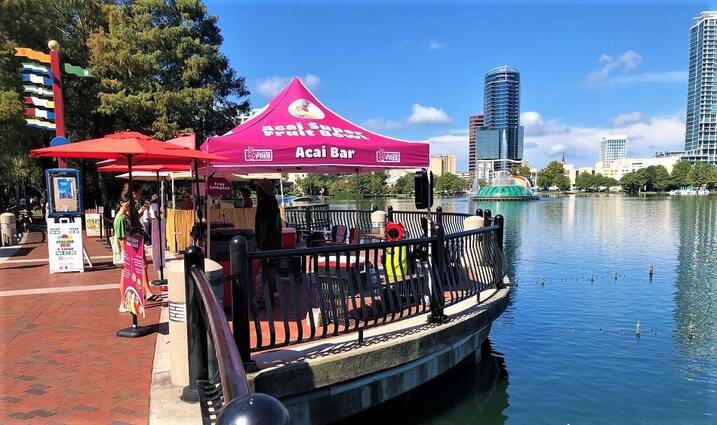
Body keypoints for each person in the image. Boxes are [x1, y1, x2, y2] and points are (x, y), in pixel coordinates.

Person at [253, 180, 281, 307]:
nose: (256, 192)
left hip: (267, 243)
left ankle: (266, 299)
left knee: (266, 271)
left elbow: (263, 227)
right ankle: (271, 297)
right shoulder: (273, 203)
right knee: (271, 270)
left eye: (258, 190)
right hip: (274, 242)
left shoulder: (264, 206)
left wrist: (260, 245)